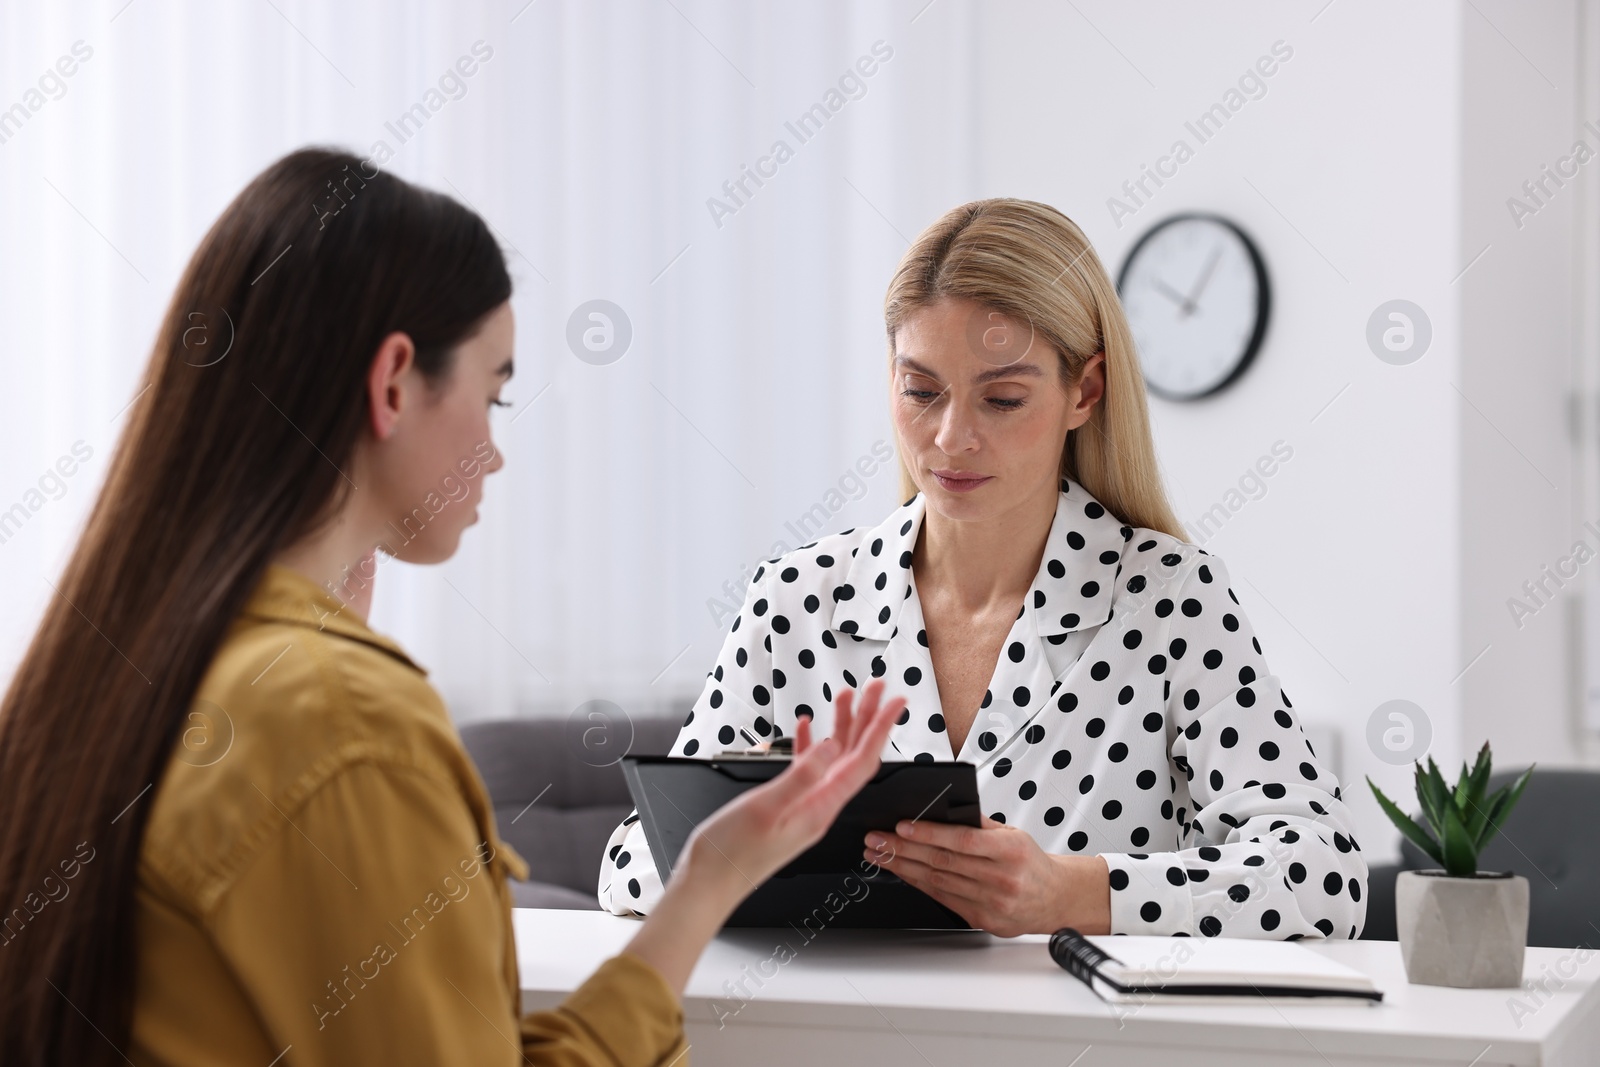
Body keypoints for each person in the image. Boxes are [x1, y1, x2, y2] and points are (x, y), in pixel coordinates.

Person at [0, 147, 907, 1066]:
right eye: (496, 393)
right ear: (394, 382)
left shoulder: (109, 667)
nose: (495, 452)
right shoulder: (343, 722)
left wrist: (708, 878)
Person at [601, 198, 1368, 941]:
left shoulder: (1167, 597)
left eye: (1002, 398)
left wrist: (1068, 891)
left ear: (1085, 391)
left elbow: (1323, 874)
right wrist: (758, 836)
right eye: (920, 390)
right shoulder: (797, 600)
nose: (951, 437)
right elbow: (631, 862)